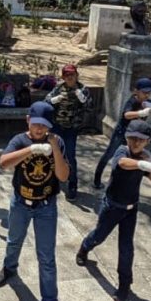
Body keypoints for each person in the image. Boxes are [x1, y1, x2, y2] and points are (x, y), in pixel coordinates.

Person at [0, 101, 70, 301]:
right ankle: (9, 268)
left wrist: (54, 147)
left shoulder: (57, 141)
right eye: (35, 124)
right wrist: (31, 149)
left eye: (44, 126)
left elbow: (63, 176)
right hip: (20, 203)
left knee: (46, 256)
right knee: (14, 239)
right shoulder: (20, 140)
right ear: (28, 120)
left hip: (46, 206)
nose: (39, 130)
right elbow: (4, 164)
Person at [75, 120, 151, 301]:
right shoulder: (122, 151)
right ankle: (84, 248)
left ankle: (124, 284)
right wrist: (142, 165)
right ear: (126, 137)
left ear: (147, 142)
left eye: (141, 140)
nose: (136, 142)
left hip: (131, 208)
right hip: (112, 206)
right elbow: (122, 163)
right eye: (132, 138)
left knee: (126, 247)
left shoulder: (145, 156)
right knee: (99, 235)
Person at [93, 77, 151, 190]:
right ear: (136, 91)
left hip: (134, 136)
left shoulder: (149, 103)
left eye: (149, 92)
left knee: (130, 158)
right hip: (121, 133)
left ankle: (118, 183)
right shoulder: (132, 101)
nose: (147, 95)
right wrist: (140, 113)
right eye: (144, 92)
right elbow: (126, 115)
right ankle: (97, 180)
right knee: (109, 155)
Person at [45, 63, 92, 200]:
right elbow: (46, 101)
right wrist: (53, 100)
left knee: (70, 156)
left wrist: (83, 99)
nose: (70, 77)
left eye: (72, 74)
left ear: (77, 75)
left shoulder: (83, 89)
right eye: (67, 75)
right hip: (57, 126)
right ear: (63, 77)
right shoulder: (59, 88)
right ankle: (53, 180)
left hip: (72, 128)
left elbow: (90, 107)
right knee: (53, 154)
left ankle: (72, 183)